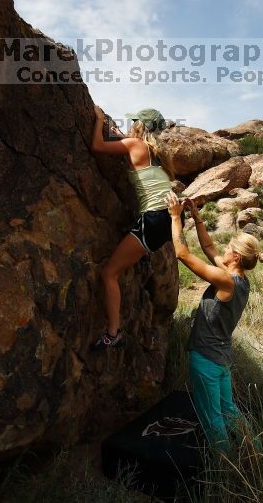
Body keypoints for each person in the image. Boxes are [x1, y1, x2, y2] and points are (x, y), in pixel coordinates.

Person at [164, 191, 263, 453]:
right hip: (221, 359)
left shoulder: (225, 281)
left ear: (235, 258)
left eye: (229, 249)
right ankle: (257, 454)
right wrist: (198, 219)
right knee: (229, 411)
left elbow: (183, 254)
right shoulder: (241, 281)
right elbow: (209, 248)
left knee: (213, 419)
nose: (224, 250)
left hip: (206, 358)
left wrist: (176, 217)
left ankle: (226, 468)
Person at [88, 106, 184, 351]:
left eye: (134, 123)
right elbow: (128, 145)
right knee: (121, 265)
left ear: (140, 125)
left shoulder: (134, 145)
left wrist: (99, 120)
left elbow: (97, 147)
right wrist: (119, 133)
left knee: (109, 273)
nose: (130, 126)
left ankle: (113, 333)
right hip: (168, 219)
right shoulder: (156, 153)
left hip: (153, 219)